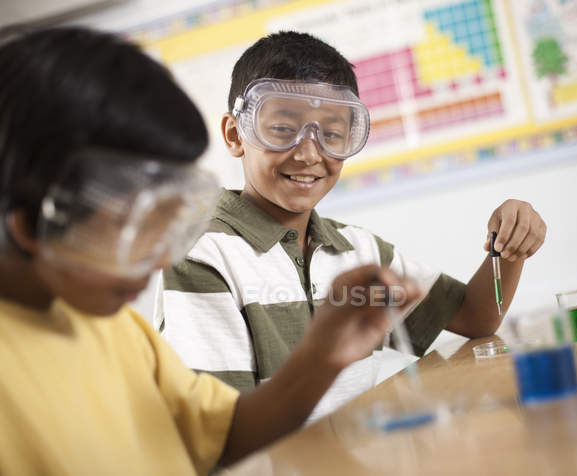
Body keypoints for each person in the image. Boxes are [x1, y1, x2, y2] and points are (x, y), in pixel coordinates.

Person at [0, 27, 421, 475]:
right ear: (35, 223)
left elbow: (230, 435)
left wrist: (323, 355)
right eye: (134, 225)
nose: (162, 258)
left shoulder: (115, 328)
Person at [155, 31, 548, 419]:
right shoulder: (201, 256)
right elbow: (220, 428)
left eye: (331, 134)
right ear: (235, 134)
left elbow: (476, 317)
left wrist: (510, 247)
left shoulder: (357, 250)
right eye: (282, 129)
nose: (309, 153)